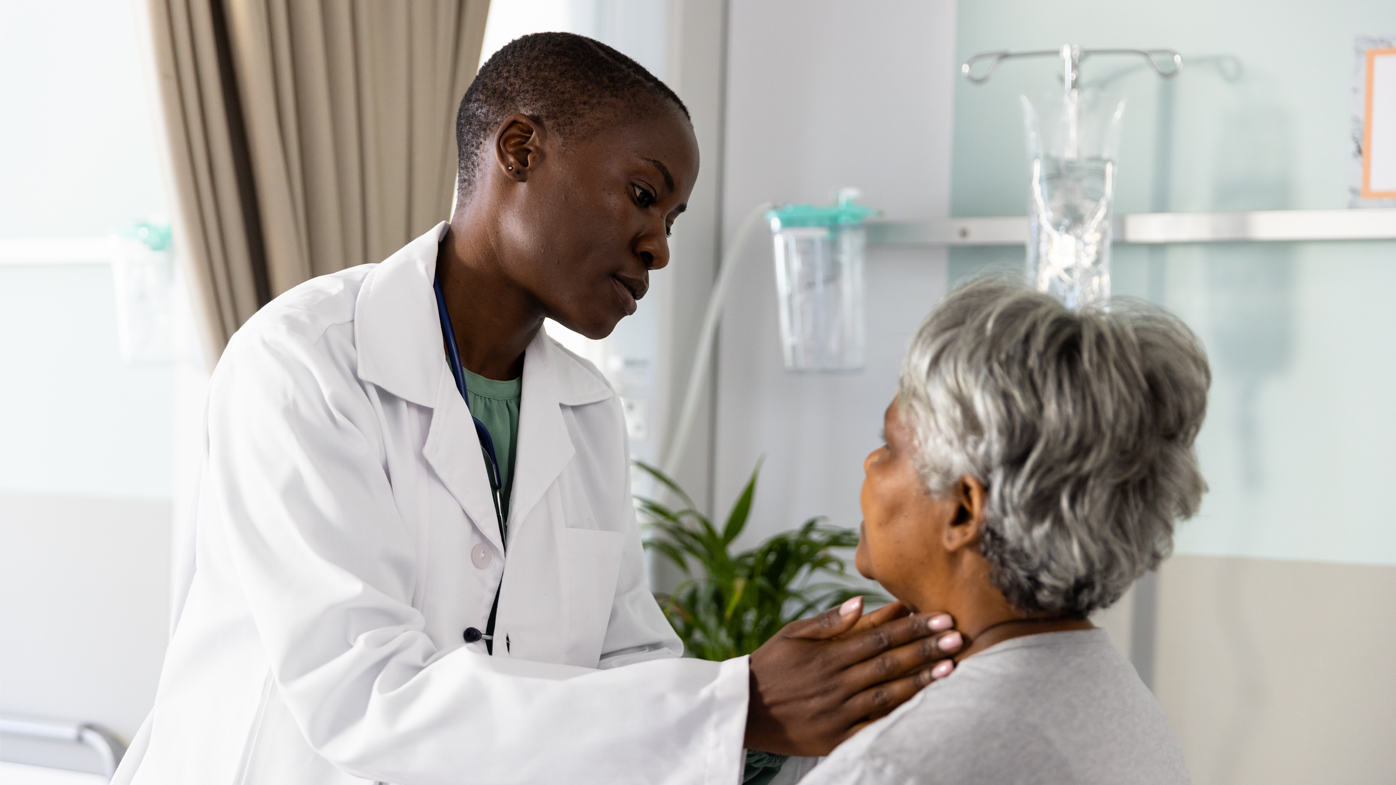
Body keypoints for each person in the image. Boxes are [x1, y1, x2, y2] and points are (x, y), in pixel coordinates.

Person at [113, 33, 962, 785]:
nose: (659, 247)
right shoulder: (304, 362)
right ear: (519, 149)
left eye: (671, 219)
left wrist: (793, 715)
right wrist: (734, 702)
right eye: (643, 195)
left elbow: (627, 663)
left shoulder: (586, 410)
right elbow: (366, 697)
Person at [800, 278, 1208, 784]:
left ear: (963, 512)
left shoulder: (894, 766)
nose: (869, 462)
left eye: (888, 446)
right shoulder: (1126, 711)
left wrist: (752, 710)